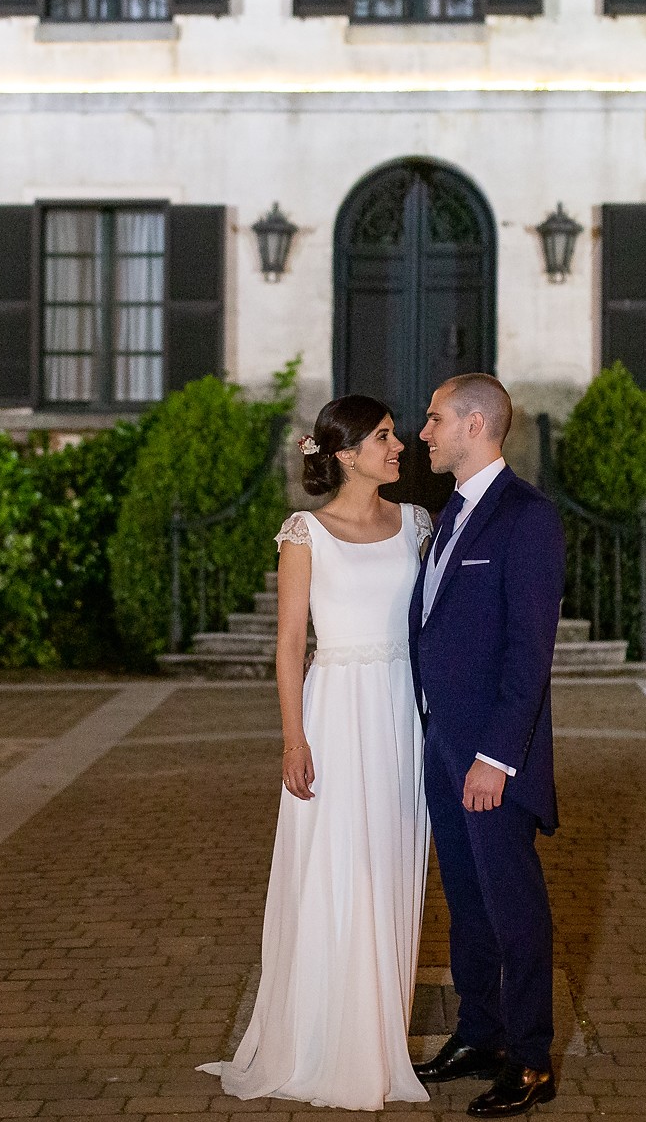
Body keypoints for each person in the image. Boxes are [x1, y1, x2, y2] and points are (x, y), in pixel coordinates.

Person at [200, 395, 435, 1111]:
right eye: (387, 437)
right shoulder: (306, 531)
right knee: (337, 869)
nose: (400, 447)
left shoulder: (417, 523)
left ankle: (379, 1036)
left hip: (401, 710)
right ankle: (321, 1042)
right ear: (345, 453)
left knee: (389, 864)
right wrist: (293, 737)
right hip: (334, 710)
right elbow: (290, 643)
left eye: (397, 435)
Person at [410, 373, 565, 1118]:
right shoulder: (449, 513)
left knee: (513, 905)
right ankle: (480, 1033)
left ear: (475, 423)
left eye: (435, 419)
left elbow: (528, 653)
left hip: (493, 759)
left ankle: (532, 1058)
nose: (424, 432)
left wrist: (497, 758)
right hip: (444, 744)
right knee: (467, 901)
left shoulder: (527, 517)